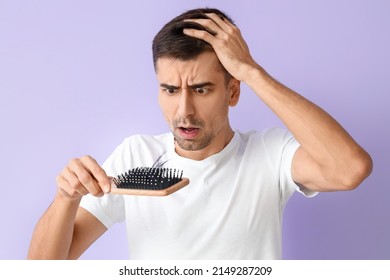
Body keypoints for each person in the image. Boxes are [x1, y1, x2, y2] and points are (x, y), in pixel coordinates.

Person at [27, 8, 373, 260]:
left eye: (202, 89)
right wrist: (65, 199)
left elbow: (349, 170)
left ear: (233, 92)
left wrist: (252, 71)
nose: (183, 111)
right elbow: (43, 268)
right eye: (170, 90)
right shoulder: (136, 155)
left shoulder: (270, 154)